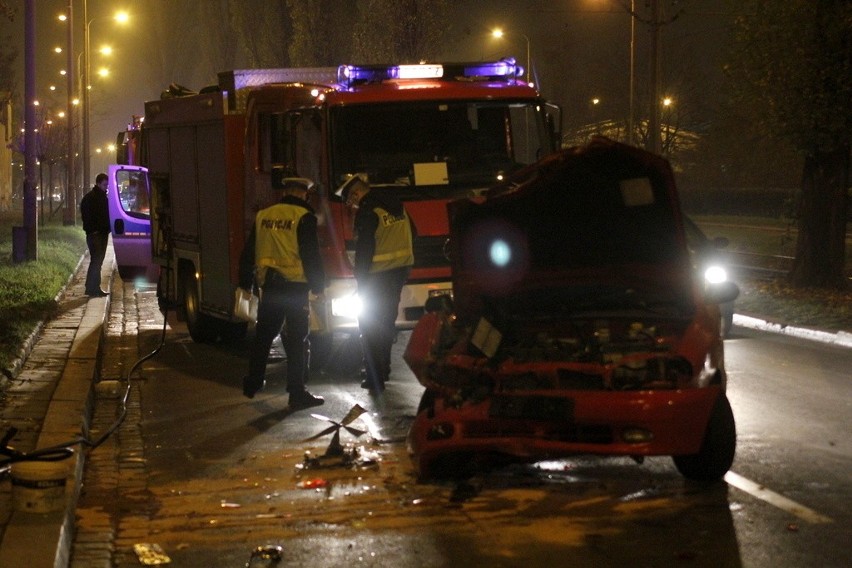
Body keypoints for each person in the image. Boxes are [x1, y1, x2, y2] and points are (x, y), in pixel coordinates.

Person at [238, 177, 326, 410]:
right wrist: (318, 285)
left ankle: (253, 383)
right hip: (296, 288)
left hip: (270, 286)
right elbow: (310, 254)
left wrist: (245, 282)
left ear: (286, 192)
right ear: (304, 194)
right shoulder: (304, 217)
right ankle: (297, 394)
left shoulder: (264, 215)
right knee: (297, 340)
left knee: (264, 335)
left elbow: (249, 251)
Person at [337, 175, 415, 393]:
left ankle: (374, 378)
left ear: (356, 194)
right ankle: (385, 370)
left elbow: (365, 249)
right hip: (398, 274)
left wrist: (360, 279)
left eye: (351, 202)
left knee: (370, 327)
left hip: (376, 278)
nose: (352, 206)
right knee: (387, 324)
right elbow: (413, 233)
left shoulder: (368, 210)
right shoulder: (397, 206)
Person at [80, 173, 111, 297]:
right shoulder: (92, 198)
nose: (106, 187)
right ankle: (94, 288)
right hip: (96, 234)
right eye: (104, 184)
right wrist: (94, 230)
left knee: (97, 261)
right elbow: (87, 217)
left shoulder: (100, 197)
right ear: (98, 183)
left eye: (107, 185)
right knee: (97, 261)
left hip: (100, 233)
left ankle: (91, 287)